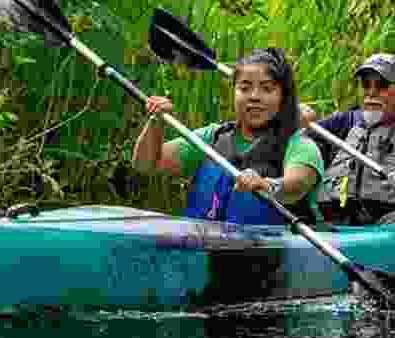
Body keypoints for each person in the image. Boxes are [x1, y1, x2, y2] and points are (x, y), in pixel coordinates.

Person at [132, 47, 324, 226]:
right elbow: (145, 164)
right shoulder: (212, 136)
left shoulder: (299, 144)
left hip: (270, 256)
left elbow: (296, 185)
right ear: (234, 92)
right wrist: (156, 122)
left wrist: (266, 185)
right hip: (202, 250)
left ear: (283, 97)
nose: (254, 96)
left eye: (267, 89)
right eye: (245, 88)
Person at [300, 53, 395, 226]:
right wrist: (299, 116)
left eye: (382, 85)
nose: (371, 92)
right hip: (333, 221)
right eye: (366, 85)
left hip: (388, 221)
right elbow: (297, 136)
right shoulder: (342, 122)